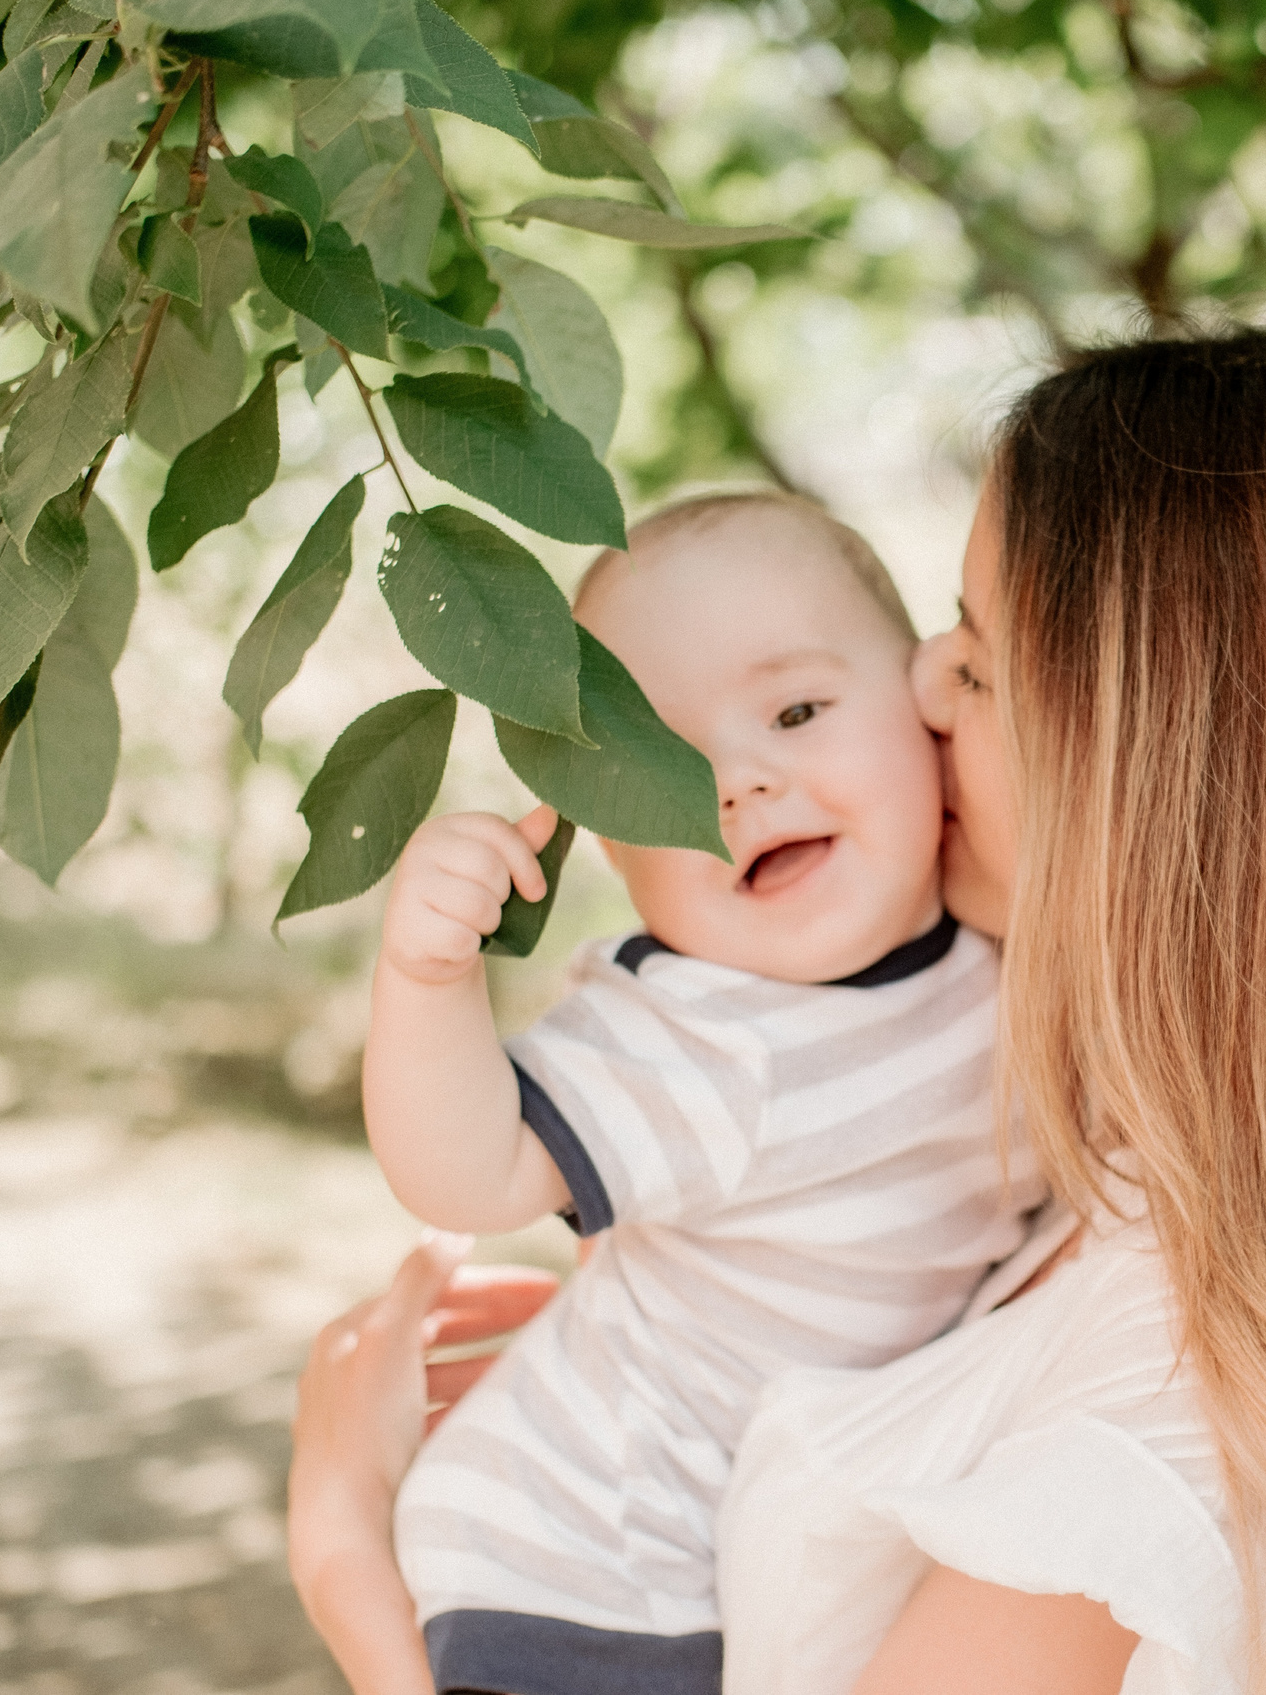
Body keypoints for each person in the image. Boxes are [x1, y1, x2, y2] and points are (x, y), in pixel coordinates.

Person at [291, 328, 1266, 1695]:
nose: (917, 680)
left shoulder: (1125, 1484)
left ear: (1152, 788)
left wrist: (348, 1559)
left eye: (975, 661)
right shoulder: (1163, 1173)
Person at [356, 492, 1040, 1692]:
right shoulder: (699, 1029)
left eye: (796, 712)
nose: (738, 783)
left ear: (927, 713)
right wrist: (425, 976)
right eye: (660, 767)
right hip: (585, 1560)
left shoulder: (1003, 965)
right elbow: (470, 1170)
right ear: (612, 852)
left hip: (751, 1564)